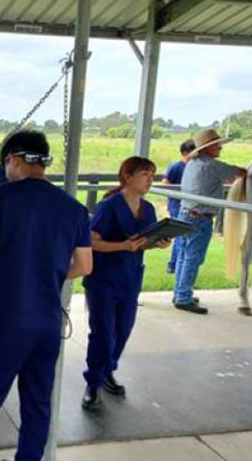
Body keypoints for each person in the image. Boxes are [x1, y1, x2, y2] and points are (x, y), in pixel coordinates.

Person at [0, 131, 93, 461]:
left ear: (16, 161)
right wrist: (47, 273)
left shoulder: (4, 196)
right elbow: (85, 265)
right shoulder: (73, 208)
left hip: (6, 318)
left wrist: (3, 272)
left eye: (6, 164)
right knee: (36, 406)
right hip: (47, 323)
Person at [81, 156, 170, 412]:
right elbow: (91, 242)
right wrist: (122, 245)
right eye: (144, 175)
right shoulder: (109, 207)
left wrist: (158, 242)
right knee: (102, 332)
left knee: (123, 329)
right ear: (127, 177)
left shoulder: (149, 209)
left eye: (152, 175)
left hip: (130, 279)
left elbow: (145, 240)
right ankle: (93, 383)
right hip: (103, 279)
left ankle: (108, 370)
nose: (150, 180)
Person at [173, 129, 247, 315]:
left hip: (185, 213)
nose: (220, 148)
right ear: (207, 149)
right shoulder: (213, 166)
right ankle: (183, 298)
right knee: (193, 258)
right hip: (200, 218)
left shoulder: (192, 163)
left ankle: (180, 293)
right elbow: (240, 173)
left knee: (183, 255)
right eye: (217, 145)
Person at [162, 139, 195, 274]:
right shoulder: (176, 167)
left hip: (188, 206)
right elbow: (165, 183)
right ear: (184, 153)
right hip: (176, 204)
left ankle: (176, 264)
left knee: (184, 236)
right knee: (180, 235)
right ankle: (173, 264)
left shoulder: (194, 168)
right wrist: (179, 192)